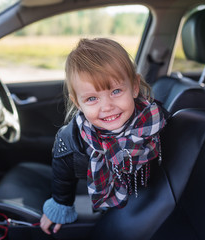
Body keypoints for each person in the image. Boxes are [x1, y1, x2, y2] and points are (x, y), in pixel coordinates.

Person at [40, 38, 166, 235]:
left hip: (146, 198)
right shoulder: (72, 140)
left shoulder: (157, 120)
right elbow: (62, 175)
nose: (106, 107)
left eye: (116, 91)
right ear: (78, 103)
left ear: (134, 87)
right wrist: (60, 205)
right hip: (107, 200)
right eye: (92, 98)